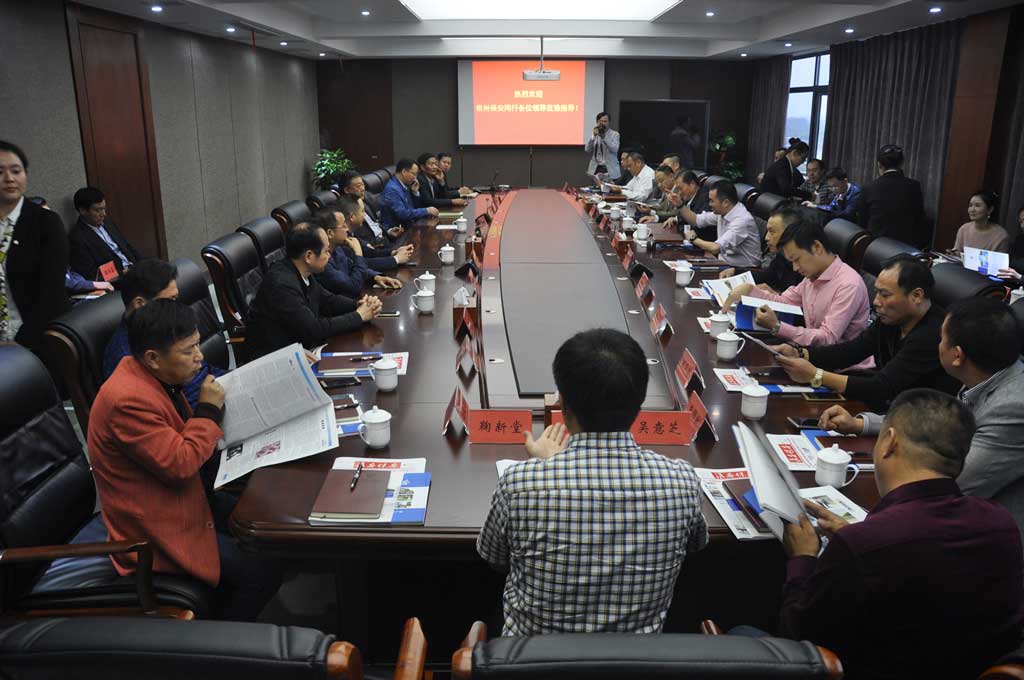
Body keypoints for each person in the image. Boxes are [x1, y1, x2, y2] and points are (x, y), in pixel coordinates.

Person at [778, 388, 1023, 680]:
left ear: (890, 441)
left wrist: (803, 557)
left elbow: (798, 634)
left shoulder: (863, 545)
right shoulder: (1002, 523)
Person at [477, 328, 707, 635]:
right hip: (638, 658)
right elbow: (696, 547)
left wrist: (547, 469)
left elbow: (493, 558)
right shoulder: (682, 483)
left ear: (563, 404)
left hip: (532, 657)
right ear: (639, 404)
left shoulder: (520, 484)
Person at [89, 299, 282, 620]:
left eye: (197, 345)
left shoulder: (157, 378)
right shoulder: (127, 400)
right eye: (189, 350)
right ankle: (219, 640)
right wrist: (207, 411)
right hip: (156, 526)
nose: (199, 357)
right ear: (152, 358)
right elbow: (180, 464)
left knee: (270, 525)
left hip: (188, 497)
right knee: (261, 571)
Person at [820, 298, 1024, 540]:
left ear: (957, 356)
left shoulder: (1013, 406)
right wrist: (860, 424)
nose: (937, 344)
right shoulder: (986, 374)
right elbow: (935, 424)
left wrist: (866, 533)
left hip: (986, 539)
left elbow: (952, 484)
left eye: (942, 339)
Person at [773, 254, 959, 410]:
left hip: (921, 418)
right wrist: (800, 353)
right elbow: (852, 350)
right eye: (877, 293)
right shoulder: (893, 318)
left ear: (916, 296)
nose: (876, 301)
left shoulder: (933, 334)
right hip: (890, 406)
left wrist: (816, 375)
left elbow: (882, 387)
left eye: (885, 295)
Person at [722, 221, 869, 349]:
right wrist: (750, 291)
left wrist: (777, 326)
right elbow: (784, 302)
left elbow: (827, 338)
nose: (795, 268)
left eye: (797, 259)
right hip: (809, 354)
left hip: (841, 368)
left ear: (817, 247)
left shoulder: (848, 285)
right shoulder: (812, 277)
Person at [245, 220, 382, 358]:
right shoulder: (282, 284)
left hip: (299, 350)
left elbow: (328, 300)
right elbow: (314, 329)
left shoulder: (301, 271)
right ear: (309, 256)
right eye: (326, 251)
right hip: (277, 359)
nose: (329, 255)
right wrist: (358, 316)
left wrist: (358, 304)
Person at [102, 257, 225, 405]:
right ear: (140, 304)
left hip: (214, 386)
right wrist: (208, 408)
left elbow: (205, 369)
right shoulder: (126, 357)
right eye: (169, 300)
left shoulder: (169, 322)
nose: (175, 306)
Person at [0, 140, 70, 359]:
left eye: (16, 171)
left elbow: (51, 292)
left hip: (37, 339)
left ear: (25, 175)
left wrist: (21, 341)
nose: (9, 178)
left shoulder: (45, 222)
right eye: (0, 172)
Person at [317, 197, 402, 298]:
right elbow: (353, 287)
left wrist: (375, 277)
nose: (347, 229)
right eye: (343, 226)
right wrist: (358, 254)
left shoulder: (337, 249)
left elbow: (352, 266)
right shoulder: (323, 262)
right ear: (330, 233)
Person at [678, 180, 762, 268]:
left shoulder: (741, 220)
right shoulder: (724, 211)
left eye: (712, 201)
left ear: (726, 203)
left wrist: (693, 239)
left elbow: (715, 248)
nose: (709, 204)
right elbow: (696, 220)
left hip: (744, 270)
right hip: (724, 263)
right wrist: (679, 205)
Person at [859, 144, 930, 248]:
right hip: (905, 247)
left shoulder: (868, 188)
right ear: (901, 163)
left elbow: (862, 222)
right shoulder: (914, 186)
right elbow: (919, 219)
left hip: (875, 248)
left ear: (879, 164)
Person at [718, 207, 804, 292]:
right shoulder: (781, 256)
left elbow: (804, 300)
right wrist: (735, 271)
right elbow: (765, 276)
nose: (766, 237)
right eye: (767, 231)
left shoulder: (805, 266)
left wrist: (776, 296)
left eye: (772, 232)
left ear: (789, 232)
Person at [69, 186, 141, 280]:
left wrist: (142, 264)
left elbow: (127, 247)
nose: (103, 214)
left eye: (104, 208)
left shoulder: (108, 223)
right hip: (117, 279)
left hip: (134, 269)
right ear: (83, 210)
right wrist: (122, 273)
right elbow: (92, 274)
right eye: (97, 210)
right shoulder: (77, 238)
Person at [334, 170, 404, 248]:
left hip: (386, 240)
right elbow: (363, 243)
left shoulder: (364, 201)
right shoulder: (346, 212)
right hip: (377, 247)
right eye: (358, 186)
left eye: (362, 185)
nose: (363, 188)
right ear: (347, 190)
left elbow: (375, 223)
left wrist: (389, 232)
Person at [380, 158, 438, 231]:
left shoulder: (403, 185)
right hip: (398, 231)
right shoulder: (392, 189)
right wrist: (426, 211)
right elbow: (402, 214)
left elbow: (412, 208)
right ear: (404, 171)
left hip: (410, 225)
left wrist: (415, 193)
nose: (415, 178)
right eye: (414, 174)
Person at [663, 171, 709, 238]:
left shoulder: (704, 200)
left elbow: (698, 225)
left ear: (692, 184)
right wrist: (676, 219)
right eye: (677, 189)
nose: (679, 192)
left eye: (680, 188)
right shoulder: (688, 198)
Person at [584, 111, 620, 181]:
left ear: (609, 122)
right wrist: (593, 136)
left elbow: (615, 149)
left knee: (609, 187)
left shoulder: (615, 134)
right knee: (595, 187)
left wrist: (604, 137)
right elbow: (587, 149)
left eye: (605, 121)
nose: (603, 124)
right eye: (600, 121)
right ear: (597, 122)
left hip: (609, 168)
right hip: (595, 168)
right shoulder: (593, 134)